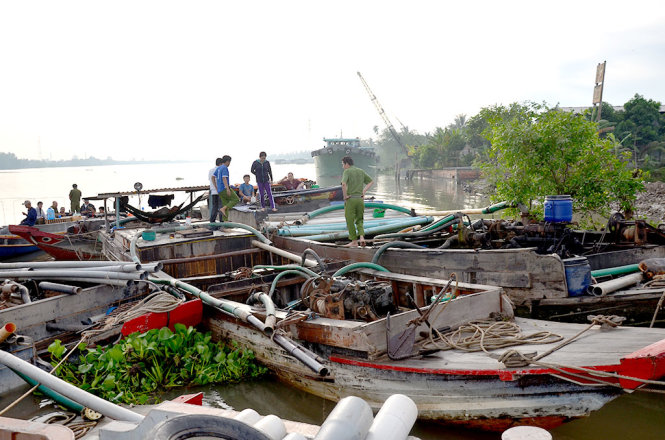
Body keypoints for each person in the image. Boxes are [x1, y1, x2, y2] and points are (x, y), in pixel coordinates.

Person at [341, 156, 374, 247]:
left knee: (349, 219)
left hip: (351, 199)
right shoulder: (361, 171)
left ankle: (354, 241)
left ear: (347, 163)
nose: (343, 166)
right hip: (360, 199)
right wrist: (363, 191)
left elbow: (343, 184)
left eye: (343, 164)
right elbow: (371, 182)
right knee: (360, 219)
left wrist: (345, 196)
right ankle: (362, 237)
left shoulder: (347, 171)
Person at [212, 155, 239, 222]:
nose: (229, 164)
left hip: (219, 190)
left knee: (225, 203)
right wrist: (227, 189)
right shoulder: (224, 168)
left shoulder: (218, 168)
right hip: (224, 188)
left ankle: (225, 223)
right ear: (227, 161)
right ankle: (223, 208)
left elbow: (212, 177)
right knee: (236, 199)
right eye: (229, 162)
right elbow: (224, 178)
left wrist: (216, 187)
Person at [208, 158, 223, 223]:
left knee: (214, 206)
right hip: (220, 190)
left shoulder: (211, 170)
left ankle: (212, 220)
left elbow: (209, 179)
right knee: (221, 206)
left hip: (213, 191)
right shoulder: (221, 170)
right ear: (220, 163)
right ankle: (221, 220)